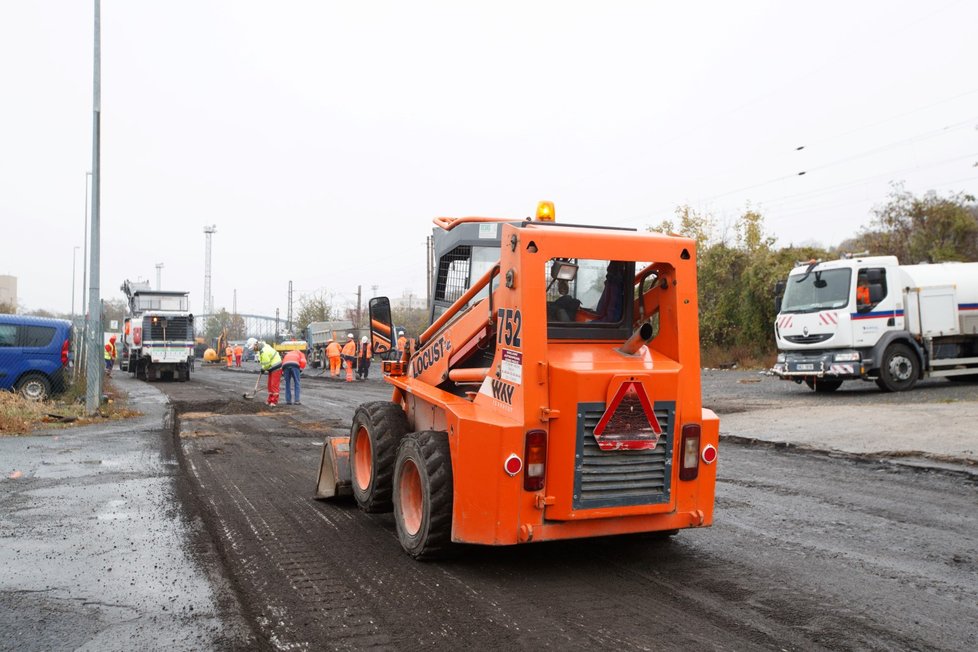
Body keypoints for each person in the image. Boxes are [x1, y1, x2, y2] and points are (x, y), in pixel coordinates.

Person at [248, 337, 283, 407]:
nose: (253, 350)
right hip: (271, 367)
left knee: (274, 385)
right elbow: (264, 362)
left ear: (256, 344)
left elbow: (266, 364)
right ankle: (270, 400)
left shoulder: (263, 351)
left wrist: (263, 369)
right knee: (269, 385)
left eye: (253, 348)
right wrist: (263, 368)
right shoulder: (262, 348)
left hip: (276, 367)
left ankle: (274, 401)